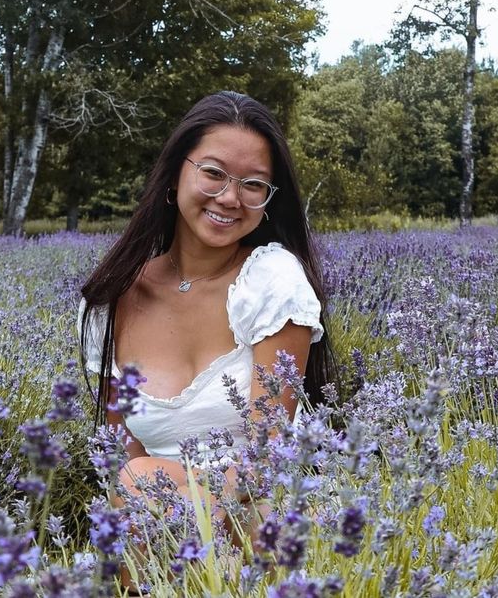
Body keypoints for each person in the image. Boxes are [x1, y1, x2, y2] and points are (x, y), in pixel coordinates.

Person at [77, 91, 338, 528]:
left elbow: (267, 459)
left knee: (141, 482)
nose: (230, 197)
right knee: (134, 481)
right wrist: (154, 500)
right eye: (214, 173)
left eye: (253, 184)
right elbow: (121, 455)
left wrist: (163, 500)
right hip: (153, 523)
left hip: (262, 516)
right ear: (174, 174)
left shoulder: (271, 281)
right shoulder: (109, 301)